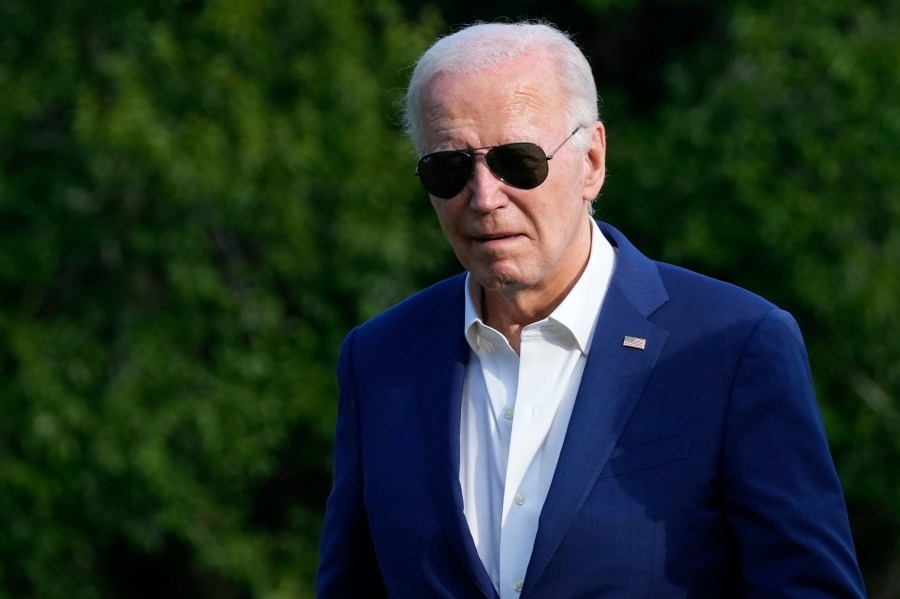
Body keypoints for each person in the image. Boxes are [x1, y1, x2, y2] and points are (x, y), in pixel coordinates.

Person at [316, 20, 866, 599]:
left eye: (518, 161)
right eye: (449, 169)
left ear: (592, 161)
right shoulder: (380, 359)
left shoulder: (736, 347)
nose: (483, 197)